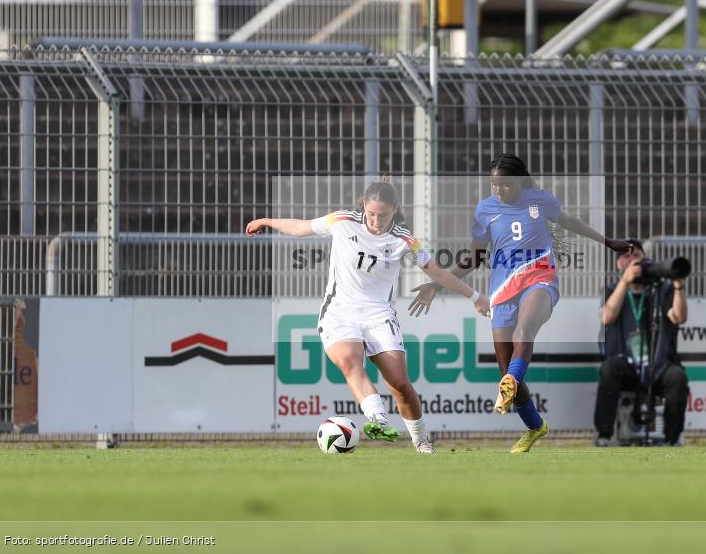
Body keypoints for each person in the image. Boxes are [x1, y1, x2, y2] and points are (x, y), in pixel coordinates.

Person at [246, 180, 490, 454]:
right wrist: (265, 220)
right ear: (363, 205)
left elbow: (438, 272)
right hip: (340, 311)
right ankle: (378, 419)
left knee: (400, 383)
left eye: (383, 215)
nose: (375, 220)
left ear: (395, 210)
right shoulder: (342, 220)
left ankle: (421, 441)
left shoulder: (404, 239)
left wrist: (476, 297)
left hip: (379, 315)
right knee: (350, 361)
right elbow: (301, 227)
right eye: (371, 213)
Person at [408, 153, 630, 453]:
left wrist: (607, 241)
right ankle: (535, 426)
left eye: (504, 185)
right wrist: (437, 284)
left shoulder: (539, 201)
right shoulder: (485, 210)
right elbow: (475, 256)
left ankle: (510, 383)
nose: (498, 190)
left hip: (540, 278)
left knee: (524, 332)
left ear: (519, 182)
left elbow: (570, 221)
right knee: (507, 369)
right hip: (502, 291)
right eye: (493, 184)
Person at [594, 239, 689, 446]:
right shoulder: (611, 290)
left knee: (677, 377)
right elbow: (607, 317)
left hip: (658, 365)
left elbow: (679, 317)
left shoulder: (660, 289)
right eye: (626, 256)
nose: (633, 260)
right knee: (610, 369)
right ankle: (604, 436)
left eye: (636, 255)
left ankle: (672, 439)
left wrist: (678, 285)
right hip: (626, 366)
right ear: (619, 264)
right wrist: (624, 282)